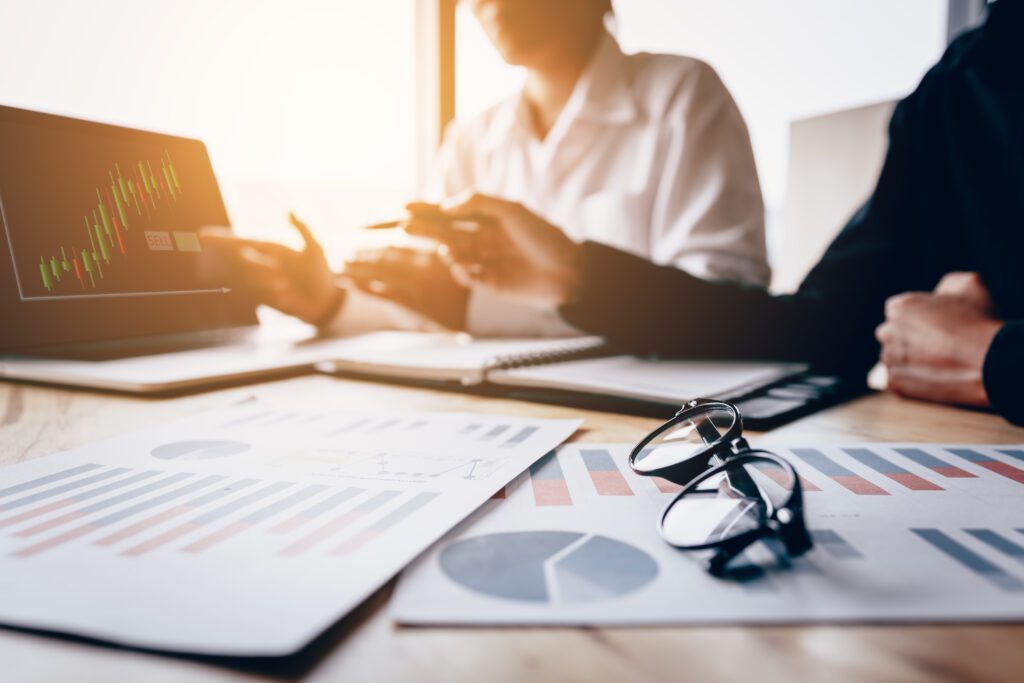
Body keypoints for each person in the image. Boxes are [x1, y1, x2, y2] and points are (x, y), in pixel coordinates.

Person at [405, 1, 1024, 425]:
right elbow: (822, 328)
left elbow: (731, 285)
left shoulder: (681, 92)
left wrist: (999, 359)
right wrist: (576, 278)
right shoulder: (961, 87)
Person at [203, 0, 769, 337]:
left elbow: (725, 308)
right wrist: (327, 301)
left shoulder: (683, 95)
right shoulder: (471, 138)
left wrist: (488, 305)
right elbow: (428, 307)